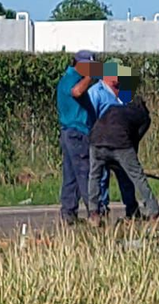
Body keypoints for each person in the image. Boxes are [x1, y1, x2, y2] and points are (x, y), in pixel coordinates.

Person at [73, 60, 159, 223]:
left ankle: (129, 210)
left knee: (121, 177)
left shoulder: (124, 93)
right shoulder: (96, 92)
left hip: (113, 140)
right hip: (106, 139)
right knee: (104, 177)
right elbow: (91, 119)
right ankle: (102, 209)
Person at [56, 51, 135, 224]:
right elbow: (77, 92)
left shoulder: (121, 92)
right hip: (81, 133)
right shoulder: (89, 86)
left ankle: (69, 213)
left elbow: (128, 104)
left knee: (72, 175)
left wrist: (125, 79)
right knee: (88, 173)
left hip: (116, 140)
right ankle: (96, 212)